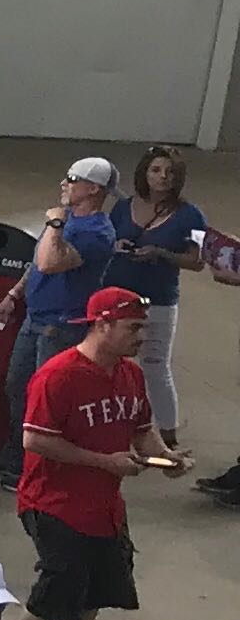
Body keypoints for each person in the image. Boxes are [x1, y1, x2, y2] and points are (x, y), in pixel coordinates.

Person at [8, 283, 168, 620]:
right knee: (57, 591)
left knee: (97, 591)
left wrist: (166, 456)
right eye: (134, 328)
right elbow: (35, 441)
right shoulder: (58, 376)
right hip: (53, 503)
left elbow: (140, 428)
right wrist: (105, 462)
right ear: (103, 324)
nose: (142, 337)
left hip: (105, 508)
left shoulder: (130, 374)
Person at [0, 154, 119, 488]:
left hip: (61, 326)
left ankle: (35, 469)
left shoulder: (97, 234)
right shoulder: (67, 221)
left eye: (72, 179)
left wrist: (55, 224)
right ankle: (15, 459)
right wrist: (15, 294)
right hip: (36, 318)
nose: (64, 184)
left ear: (93, 189)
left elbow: (49, 262)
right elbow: (36, 261)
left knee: (46, 401)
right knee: (17, 387)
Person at [107, 142, 204, 448]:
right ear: (144, 173)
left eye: (170, 172)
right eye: (156, 170)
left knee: (155, 365)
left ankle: (167, 433)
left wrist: (161, 253)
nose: (163, 177)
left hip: (158, 300)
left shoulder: (192, 216)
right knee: (108, 361)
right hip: (117, 295)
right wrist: (117, 246)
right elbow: (106, 239)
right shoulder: (123, 207)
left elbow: (197, 261)